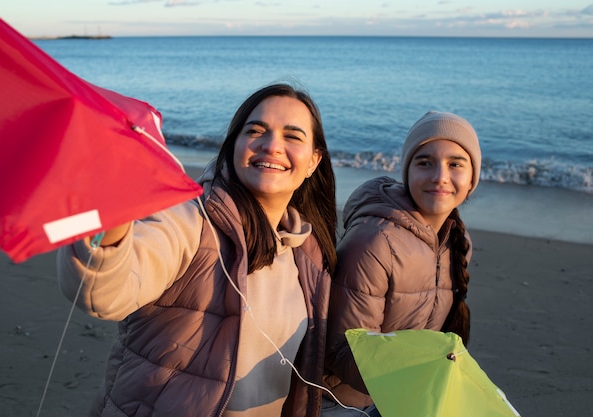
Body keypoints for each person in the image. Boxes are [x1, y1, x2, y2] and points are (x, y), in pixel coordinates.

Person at [57, 83, 338, 417]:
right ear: (234, 146)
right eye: (256, 130)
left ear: (313, 161)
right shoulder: (190, 221)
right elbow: (105, 292)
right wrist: (116, 210)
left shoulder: (309, 253)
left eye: (292, 136)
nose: (272, 145)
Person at [321, 111, 482, 416]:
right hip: (344, 401)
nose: (440, 176)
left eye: (455, 164)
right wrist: (415, 379)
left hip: (405, 393)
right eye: (425, 162)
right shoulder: (375, 241)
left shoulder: (457, 242)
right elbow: (342, 348)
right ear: (406, 171)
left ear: (472, 178)